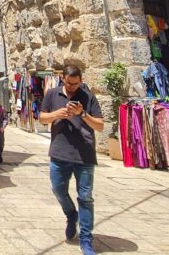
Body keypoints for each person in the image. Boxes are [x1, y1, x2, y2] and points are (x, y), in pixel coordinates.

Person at [39, 66, 104, 255]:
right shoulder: (52, 94)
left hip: (84, 155)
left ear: (81, 81)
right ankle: (71, 214)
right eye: (69, 83)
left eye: (76, 84)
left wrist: (82, 114)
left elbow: (100, 126)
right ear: (62, 79)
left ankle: (86, 239)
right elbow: (42, 118)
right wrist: (57, 114)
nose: (72, 87)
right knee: (58, 190)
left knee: (85, 198)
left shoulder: (88, 97)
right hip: (59, 152)